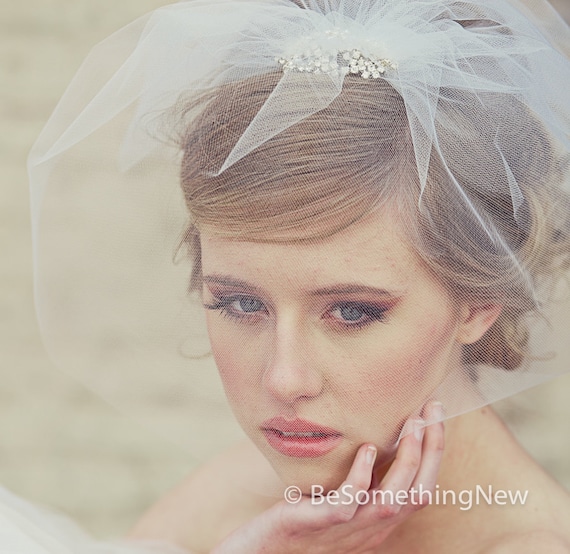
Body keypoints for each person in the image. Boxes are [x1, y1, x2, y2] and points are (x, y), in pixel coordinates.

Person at [23, 0, 570, 552]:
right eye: (242, 304)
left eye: (351, 312)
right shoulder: (242, 496)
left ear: (479, 302)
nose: (284, 381)